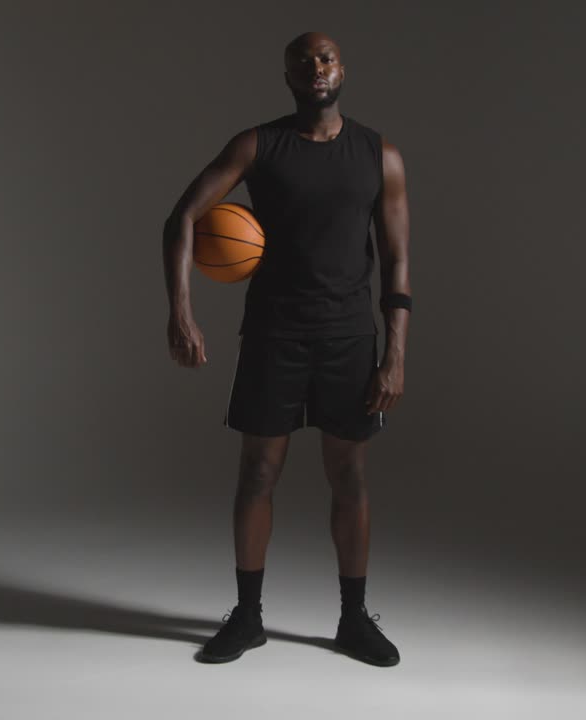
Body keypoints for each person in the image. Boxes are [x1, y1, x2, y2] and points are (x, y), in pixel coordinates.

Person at [162, 31, 411, 666]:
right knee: (257, 473)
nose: (316, 67)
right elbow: (183, 217)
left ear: (342, 69)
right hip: (273, 333)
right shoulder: (258, 145)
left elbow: (397, 263)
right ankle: (247, 618)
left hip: (351, 336)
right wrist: (181, 312)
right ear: (288, 76)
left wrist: (396, 354)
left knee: (349, 477)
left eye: (326, 57)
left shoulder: (378, 154)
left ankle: (353, 621)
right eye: (303, 60)